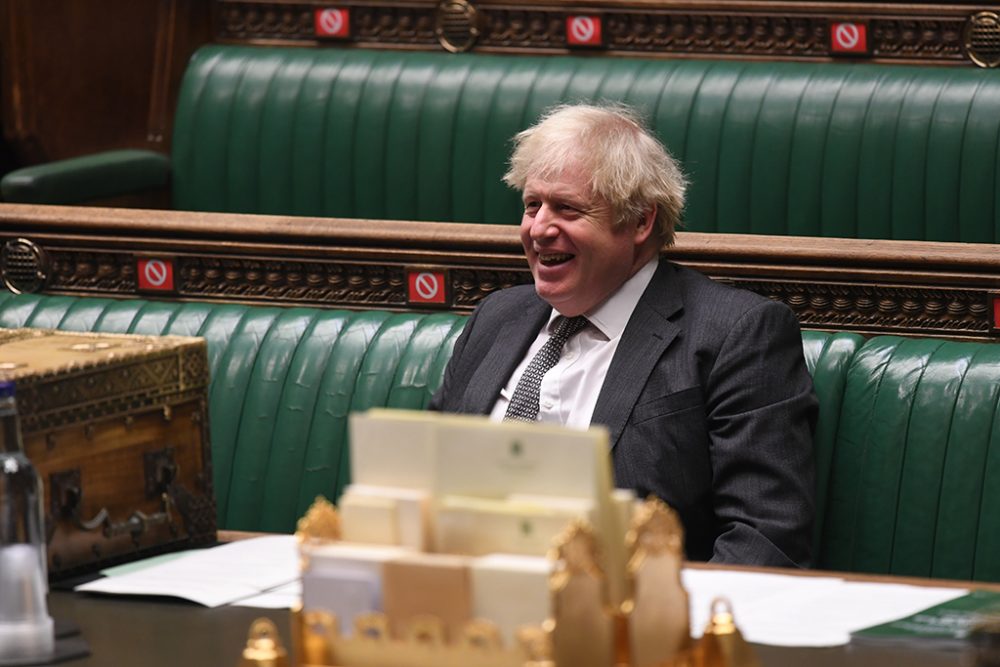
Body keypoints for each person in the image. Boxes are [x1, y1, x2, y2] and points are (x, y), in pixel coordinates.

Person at [430, 103, 817, 568]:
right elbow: (424, 484)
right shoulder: (498, 317)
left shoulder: (735, 334)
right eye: (533, 205)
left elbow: (766, 537)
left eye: (568, 209)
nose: (539, 229)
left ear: (640, 222)